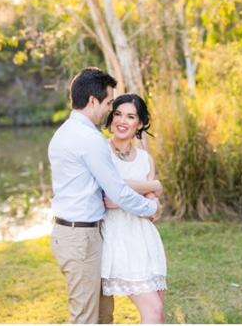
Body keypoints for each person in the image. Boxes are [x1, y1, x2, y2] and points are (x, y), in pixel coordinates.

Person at [48, 67, 163, 324]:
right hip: (80, 237)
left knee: (102, 316)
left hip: (85, 234)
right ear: (92, 101)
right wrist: (151, 208)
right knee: (86, 318)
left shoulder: (66, 133)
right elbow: (117, 193)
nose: (110, 110)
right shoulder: (90, 139)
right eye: (110, 103)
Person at [99, 94, 167, 324]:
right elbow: (110, 193)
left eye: (130, 116)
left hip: (146, 242)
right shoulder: (101, 151)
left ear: (139, 123)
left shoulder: (145, 159)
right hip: (119, 240)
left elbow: (154, 210)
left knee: (159, 313)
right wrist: (152, 186)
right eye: (117, 114)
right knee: (154, 312)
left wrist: (124, 200)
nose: (122, 121)